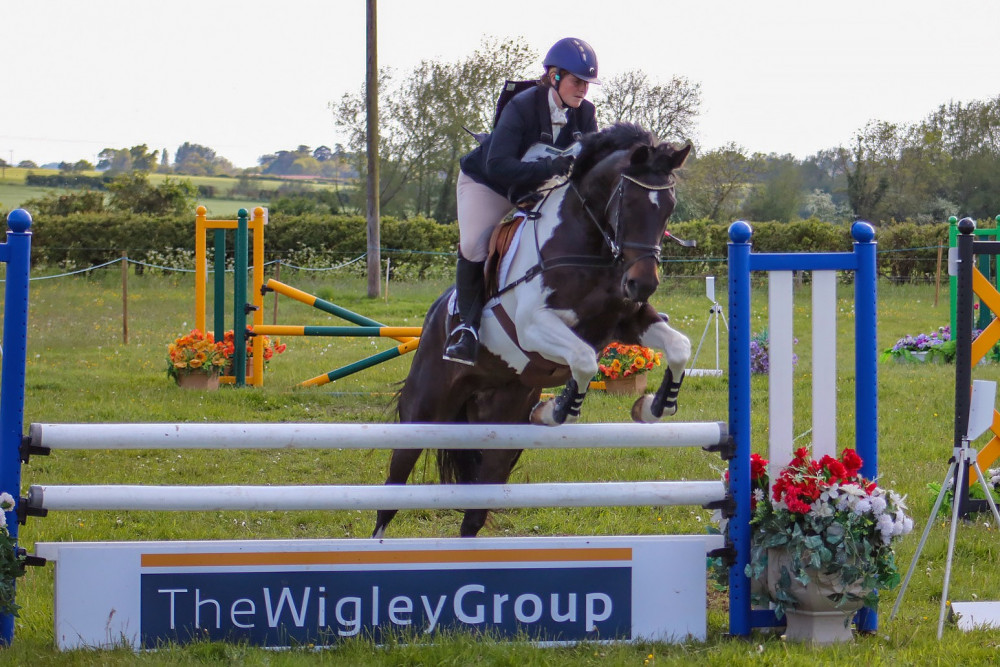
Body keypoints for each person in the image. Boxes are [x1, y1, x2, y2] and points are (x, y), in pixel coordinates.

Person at [443, 37, 601, 365]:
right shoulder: (523, 106)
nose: (583, 89)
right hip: (490, 185)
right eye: (577, 81)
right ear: (554, 76)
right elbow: (497, 165)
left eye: (587, 83)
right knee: (474, 243)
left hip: (539, 190)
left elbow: (591, 167)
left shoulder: (586, 114)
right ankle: (467, 331)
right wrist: (552, 168)